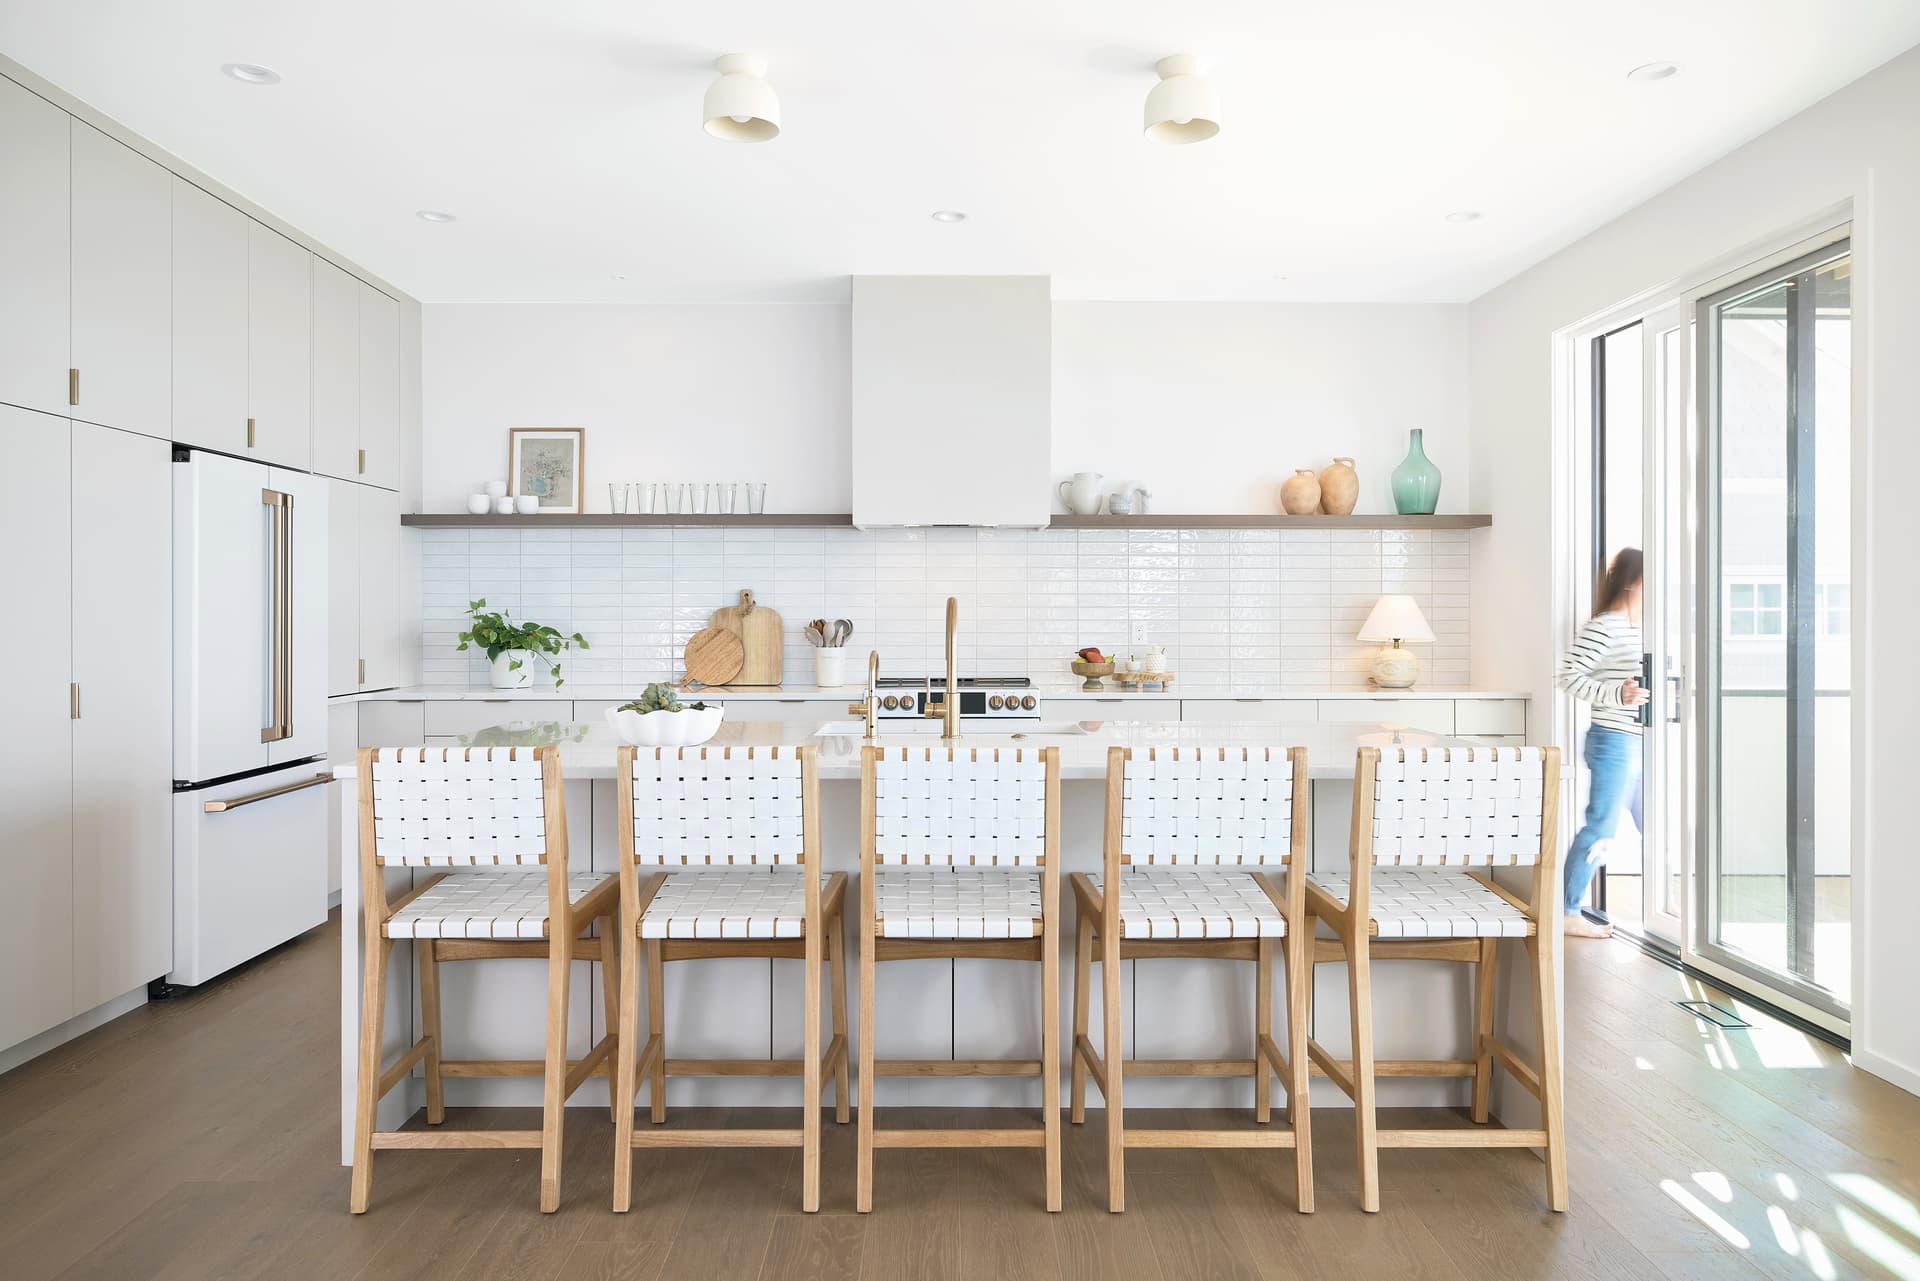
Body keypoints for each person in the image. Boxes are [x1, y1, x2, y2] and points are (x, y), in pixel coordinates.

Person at [1556, 548, 1648, 939]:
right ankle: (1567, 910)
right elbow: (1567, 675)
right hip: (1613, 741)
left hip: (1640, 742)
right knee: (1600, 829)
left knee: (1655, 823)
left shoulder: (1639, 627)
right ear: (1632, 582)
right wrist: (1617, 694)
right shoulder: (1605, 627)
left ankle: (1672, 908)